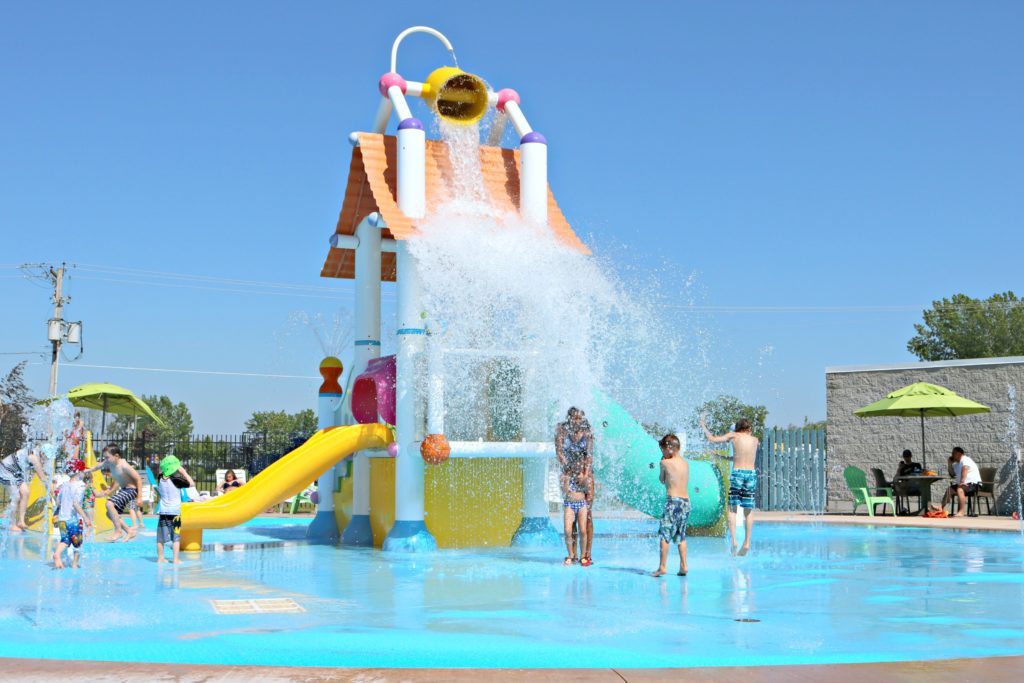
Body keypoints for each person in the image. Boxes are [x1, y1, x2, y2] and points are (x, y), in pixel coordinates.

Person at [702, 414, 760, 556]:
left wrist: (703, 424)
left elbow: (712, 439)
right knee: (748, 510)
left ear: (738, 428)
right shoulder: (755, 440)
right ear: (749, 428)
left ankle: (734, 540)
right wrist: (721, 457)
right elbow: (740, 456)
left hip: (737, 473)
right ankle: (746, 543)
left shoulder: (734, 436)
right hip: (751, 474)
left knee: (732, 508)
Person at [84, 444, 143, 541]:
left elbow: (138, 479)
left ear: (116, 456)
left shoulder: (124, 465)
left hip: (132, 490)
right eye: (105, 457)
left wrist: (140, 497)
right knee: (110, 513)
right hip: (124, 490)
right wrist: (88, 470)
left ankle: (118, 531)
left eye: (107, 457)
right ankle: (129, 530)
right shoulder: (110, 463)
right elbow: (99, 466)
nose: (105, 460)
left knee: (109, 503)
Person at [652, 434, 689, 577]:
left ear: (669, 449)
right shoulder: (686, 463)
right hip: (686, 502)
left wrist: (662, 463)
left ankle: (662, 567)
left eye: (663, 450)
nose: (663, 454)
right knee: (681, 535)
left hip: (672, 501)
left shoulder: (665, 463)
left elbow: (662, 480)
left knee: (665, 534)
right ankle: (684, 565)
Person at [0, 445, 50, 533]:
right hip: (6, 470)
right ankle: (12, 524)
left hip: (16, 472)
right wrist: (51, 490)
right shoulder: (34, 457)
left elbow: (43, 471)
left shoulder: (36, 454)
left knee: (26, 492)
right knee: (16, 497)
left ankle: (21, 521)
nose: (46, 460)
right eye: (46, 457)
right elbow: (42, 477)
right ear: (42, 454)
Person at [53, 459, 91, 569]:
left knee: (65, 540)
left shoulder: (64, 485)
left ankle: (57, 554)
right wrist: (86, 518)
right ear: (79, 472)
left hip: (62, 518)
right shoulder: (81, 485)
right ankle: (74, 565)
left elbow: (58, 501)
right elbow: (76, 503)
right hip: (74, 519)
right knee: (77, 543)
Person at [156, 455, 194, 563]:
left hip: (163, 512)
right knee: (176, 537)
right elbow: (192, 484)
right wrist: (184, 472)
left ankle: (160, 558)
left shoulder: (160, 478)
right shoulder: (177, 480)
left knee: (160, 538)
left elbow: (161, 471)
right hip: (175, 513)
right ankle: (176, 559)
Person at [562, 470, 591, 566]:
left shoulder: (583, 473)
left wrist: (584, 479)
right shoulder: (565, 474)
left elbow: (587, 489)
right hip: (569, 504)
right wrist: (566, 480)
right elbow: (564, 491)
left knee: (583, 530)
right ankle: (570, 555)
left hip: (581, 504)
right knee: (567, 530)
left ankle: (583, 556)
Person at [943, 447, 982, 517]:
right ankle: (941, 509)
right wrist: (949, 464)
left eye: (953, 453)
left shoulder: (965, 459)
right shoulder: (956, 464)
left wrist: (962, 482)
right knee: (949, 489)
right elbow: (952, 475)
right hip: (964, 485)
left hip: (974, 484)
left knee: (960, 489)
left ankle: (961, 512)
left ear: (959, 453)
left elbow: (965, 469)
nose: (952, 455)